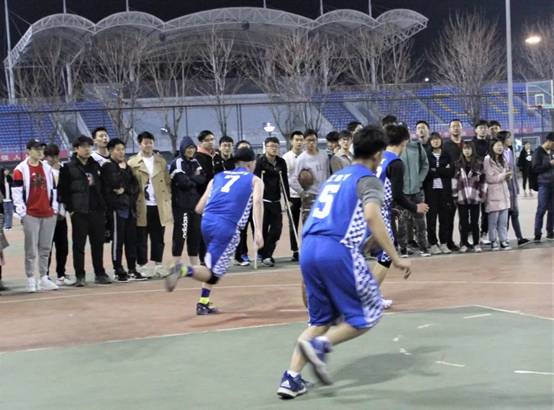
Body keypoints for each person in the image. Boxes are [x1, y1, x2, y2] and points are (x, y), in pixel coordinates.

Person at [275, 126, 411, 399]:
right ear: (377, 155)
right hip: (337, 251)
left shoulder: (336, 177)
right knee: (370, 312)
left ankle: (291, 378)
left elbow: (338, 216)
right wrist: (395, 257)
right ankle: (320, 346)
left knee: (320, 320)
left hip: (310, 248)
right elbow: (372, 216)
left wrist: (366, 240)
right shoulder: (369, 179)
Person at [165, 147, 264, 315]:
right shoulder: (255, 180)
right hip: (227, 227)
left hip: (207, 222)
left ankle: (203, 302)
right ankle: (183, 270)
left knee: (212, 264)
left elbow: (199, 208)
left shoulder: (217, 177)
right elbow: (258, 202)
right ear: (250, 164)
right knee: (212, 274)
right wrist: (259, 231)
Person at [58, 136, 112, 287]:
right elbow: (63, 191)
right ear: (76, 149)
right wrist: (71, 210)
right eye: (83, 146)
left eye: (89, 146)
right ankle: (80, 275)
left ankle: (100, 273)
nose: (87, 149)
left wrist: (103, 206)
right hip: (79, 212)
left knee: (98, 244)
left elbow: (102, 187)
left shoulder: (96, 166)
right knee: (79, 245)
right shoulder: (68, 167)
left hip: (97, 211)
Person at [12, 139, 59, 292]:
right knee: (31, 249)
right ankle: (30, 278)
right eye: (36, 149)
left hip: (48, 213)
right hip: (31, 214)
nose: (40, 152)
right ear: (28, 151)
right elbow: (16, 193)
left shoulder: (47, 168)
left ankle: (44, 277)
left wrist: (54, 208)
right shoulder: (20, 169)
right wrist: (22, 213)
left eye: (41, 149)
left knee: (45, 248)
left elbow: (53, 189)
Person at [128, 132, 173, 278]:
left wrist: (167, 197)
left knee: (158, 237)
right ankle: (142, 265)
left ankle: (158, 265)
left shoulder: (161, 161)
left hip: (158, 205)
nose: (148, 145)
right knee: (141, 237)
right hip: (142, 205)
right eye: (145, 142)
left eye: (150, 142)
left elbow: (167, 181)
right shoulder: (133, 163)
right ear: (139, 144)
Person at [101, 138, 141, 282]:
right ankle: (118, 269)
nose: (121, 152)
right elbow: (115, 183)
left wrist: (125, 189)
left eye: (123, 149)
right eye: (118, 149)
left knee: (131, 240)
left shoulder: (127, 167)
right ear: (111, 151)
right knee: (118, 241)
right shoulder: (108, 166)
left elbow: (135, 186)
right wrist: (123, 182)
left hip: (129, 208)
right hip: (117, 209)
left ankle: (132, 268)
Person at [169, 136, 206, 267]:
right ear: (183, 149)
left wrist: (191, 178)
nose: (190, 150)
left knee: (195, 233)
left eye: (192, 148)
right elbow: (183, 182)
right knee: (181, 233)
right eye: (188, 148)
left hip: (195, 205)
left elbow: (203, 178)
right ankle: (176, 264)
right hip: (181, 205)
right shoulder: (177, 162)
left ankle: (194, 264)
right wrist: (194, 178)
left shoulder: (195, 161)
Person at [254, 137, 290, 267]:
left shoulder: (281, 162)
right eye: (271, 146)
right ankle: (264, 254)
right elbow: (255, 181)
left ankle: (267, 254)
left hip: (276, 201)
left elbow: (284, 181)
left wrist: (287, 199)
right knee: (263, 229)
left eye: (276, 146)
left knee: (277, 229)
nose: (274, 148)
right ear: (265, 147)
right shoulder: (260, 162)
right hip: (263, 201)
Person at [397, 124, 430, 257]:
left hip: (416, 191)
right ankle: (403, 248)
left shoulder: (417, 146)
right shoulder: (395, 148)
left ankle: (423, 247)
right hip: (402, 191)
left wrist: (419, 180)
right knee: (402, 221)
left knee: (420, 221)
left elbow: (425, 165)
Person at [44, 144, 73, 286]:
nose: (53, 159)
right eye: (50, 156)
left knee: (63, 246)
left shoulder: (63, 169)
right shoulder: (42, 169)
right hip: (46, 214)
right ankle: (44, 275)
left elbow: (67, 189)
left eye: (55, 156)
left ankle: (61, 274)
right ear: (46, 157)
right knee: (47, 247)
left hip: (60, 213)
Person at [424, 133, 455, 255]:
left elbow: (451, 171)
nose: (435, 142)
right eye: (433, 140)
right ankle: (433, 244)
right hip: (431, 192)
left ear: (441, 141)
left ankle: (444, 243)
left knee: (444, 219)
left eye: (437, 139)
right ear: (430, 142)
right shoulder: (426, 155)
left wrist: (436, 170)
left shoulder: (447, 154)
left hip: (445, 191)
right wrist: (442, 170)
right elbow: (426, 172)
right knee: (431, 219)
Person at [453, 141, 486, 253]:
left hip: (475, 196)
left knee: (475, 222)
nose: (467, 151)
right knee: (463, 222)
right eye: (465, 149)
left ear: (473, 150)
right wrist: (454, 194)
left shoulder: (479, 163)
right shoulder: (457, 164)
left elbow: (483, 180)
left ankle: (476, 243)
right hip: (461, 197)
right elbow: (454, 180)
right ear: (462, 151)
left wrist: (483, 194)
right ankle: (464, 243)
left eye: (469, 148)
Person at [497, 131, 529, 247]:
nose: (510, 140)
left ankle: (519, 237)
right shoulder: (497, 154)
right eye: (509, 138)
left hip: (512, 187)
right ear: (503, 140)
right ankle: (503, 239)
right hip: (503, 188)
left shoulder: (510, 151)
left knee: (515, 213)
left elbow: (514, 171)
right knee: (505, 215)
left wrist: (516, 187)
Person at [290, 130, 329, 224]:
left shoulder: (324, 155)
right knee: (309, 225)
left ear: (317, 141)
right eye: (308, 140)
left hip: (324, 195)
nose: (311, 143)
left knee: (323, 225)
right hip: (310, 196)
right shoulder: (301, 159)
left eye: (313, 140)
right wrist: (302, 193)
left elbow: (328, 174)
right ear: (304, 141)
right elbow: (292, 179)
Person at [484, 139, 512, 251]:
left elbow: (505, 174)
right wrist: (504, 175)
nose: (500, 148)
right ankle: (493, 240)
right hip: (493, 194)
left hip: (504, 193)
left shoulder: (503, 159)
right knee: (493, 221)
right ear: (492, 147)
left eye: (501, 145)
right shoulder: (487, 160)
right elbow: (489, 178)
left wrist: (508, 176)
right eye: (497, 145)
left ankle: (503, 240)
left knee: (503, 221)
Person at [442, 119, 464, 251]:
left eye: (458, 126)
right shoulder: (445, 146)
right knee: (449, 216)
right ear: (449, 129)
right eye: (453, 126)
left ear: (461, 129)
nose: (456, 128)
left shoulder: (466, 145)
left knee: (464, 216)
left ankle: (464, 241)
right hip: (450, 186)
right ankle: (449, 242)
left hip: (466, 186)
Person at [282, 131, 304, 262]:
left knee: (308, 223)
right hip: (292, 195)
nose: (299, 142)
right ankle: (295, 251)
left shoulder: (307, 156)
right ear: (291, 141)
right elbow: (286, 179)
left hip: (307, 195)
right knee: (293, 224)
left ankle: (307, 249)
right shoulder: (286, 158)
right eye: (297, 140)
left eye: (301, 140)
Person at [233, 140, 255, 266]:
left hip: (252, 202)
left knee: (255, 227)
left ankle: (259, 253)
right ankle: (240, 254)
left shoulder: (254, 171)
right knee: (241, 230)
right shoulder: (233, 169)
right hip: (238, 205)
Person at [472, 119, 491, 246]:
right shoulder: (471, 144)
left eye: (485, 128)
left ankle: (484, 233)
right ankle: (472, 235)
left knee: (486, 209)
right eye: (481, 128)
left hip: (488, 181)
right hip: (474, 181)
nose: (483, 130)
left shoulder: (491, 144)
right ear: (476, 130)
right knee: (473, 209)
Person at [532, 132, 554, 241]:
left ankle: (550, 231)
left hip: (552, 184)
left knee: (552, 210)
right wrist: (549, 164)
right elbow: (535, 168)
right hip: (544, 184)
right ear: (548, 141)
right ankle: (537, 233)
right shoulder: (538, 152)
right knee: (541, 209)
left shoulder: (551, 151)